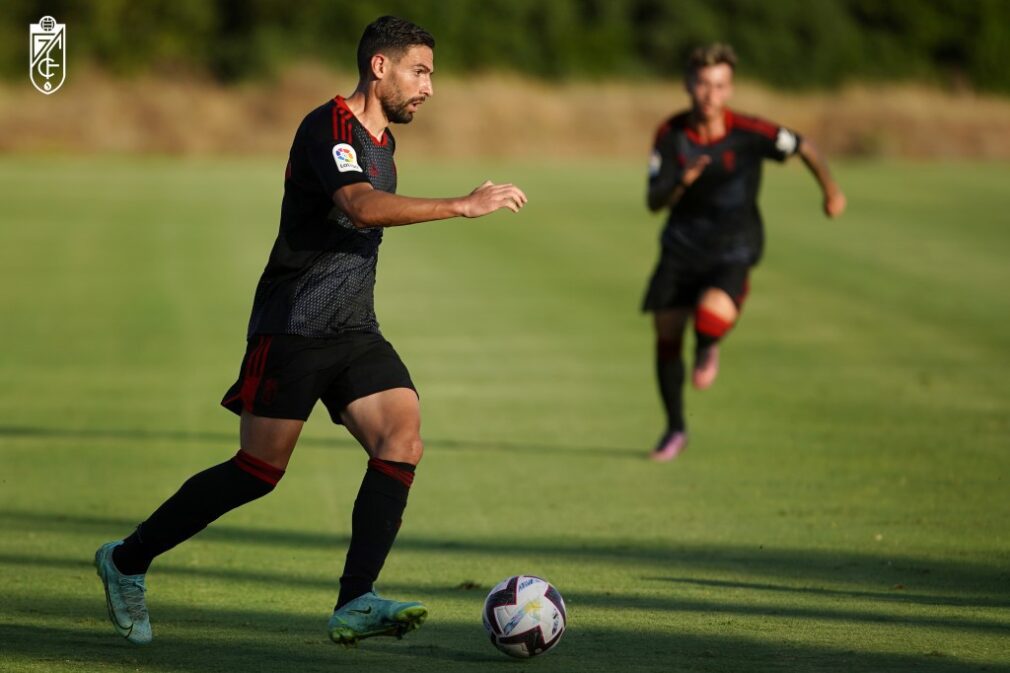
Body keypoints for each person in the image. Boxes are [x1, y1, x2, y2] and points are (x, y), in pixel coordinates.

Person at [94, 15, 527, 647]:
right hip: (292, 324)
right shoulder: (326, 127)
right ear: (379, 67)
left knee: (402, 437)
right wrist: (461, 204)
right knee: (256, 472)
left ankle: (356, 600)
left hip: (353, 326)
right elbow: (358, 204)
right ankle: (126, 561)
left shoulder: (385, 144)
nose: (429, 87)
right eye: (420, 70)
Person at [643, 43, 845, 462]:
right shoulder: (670, 134)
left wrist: (831, 190)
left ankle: (708, 344)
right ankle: (675, 429)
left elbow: (804, 146)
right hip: (681, 248)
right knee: (665, 334)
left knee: (711, 315)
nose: (709, 95)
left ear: (729, 88)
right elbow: (653, 201)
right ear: (687, 84)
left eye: (718, 86)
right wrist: (681, 181)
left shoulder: (751, 132)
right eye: (701, 84)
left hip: (734, 248)